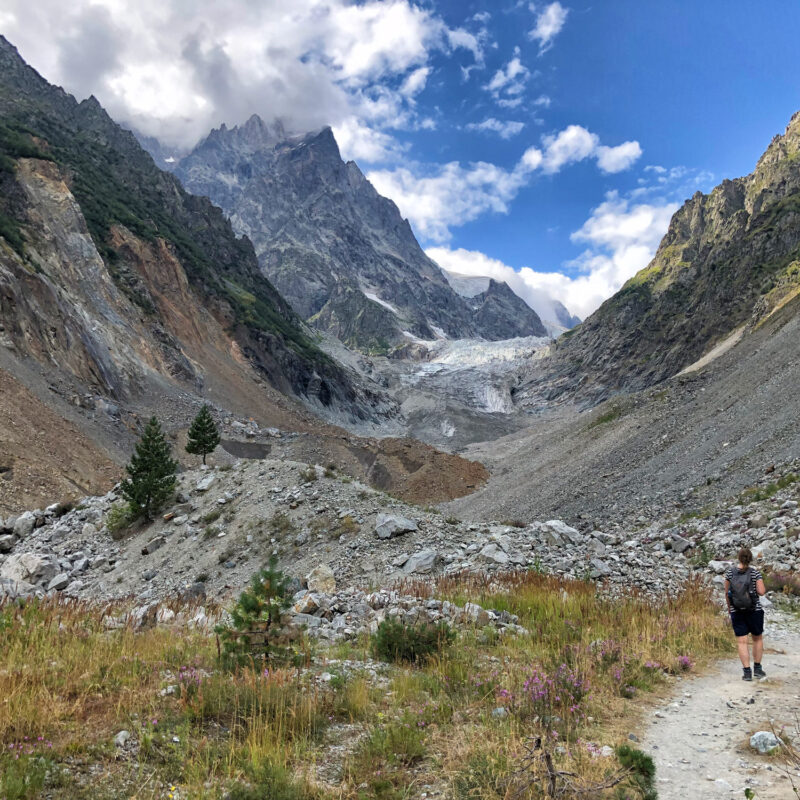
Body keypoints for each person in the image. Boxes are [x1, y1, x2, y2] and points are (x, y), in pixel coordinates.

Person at [724, 548, 766, 681]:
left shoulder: (730, 573)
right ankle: (758, 669)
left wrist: (730, 608)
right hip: (754, 610)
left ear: (739, 557)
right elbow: (761, 592)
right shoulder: (755, 573)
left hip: (737, 610)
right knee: (757, 639)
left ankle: (747, 672)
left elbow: (727, 592)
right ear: (750, 558)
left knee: (742, 642)